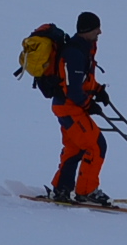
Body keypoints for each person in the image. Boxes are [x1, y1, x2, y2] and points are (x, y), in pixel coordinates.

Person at [47, 11, 111, 206]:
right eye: (96, 28)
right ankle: (87, 191)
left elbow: (82, 81)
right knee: (96, 145)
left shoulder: (84, 49)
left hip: (69, 107)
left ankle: (62, 189)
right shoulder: (74, 53)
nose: (99, 32)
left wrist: (98, 90)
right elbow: (73, 89)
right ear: (86, 30)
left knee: (75, 147)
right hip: (69, 107)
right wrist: (87, 104)